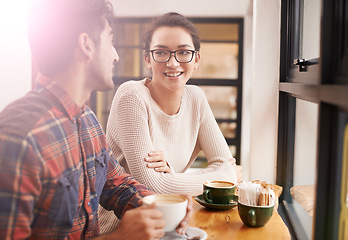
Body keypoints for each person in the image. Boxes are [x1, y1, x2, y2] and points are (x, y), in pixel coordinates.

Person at [0, 1, 191, 239]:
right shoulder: (20, 137)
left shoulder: (87, 120)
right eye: (110, 41)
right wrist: (118, 238)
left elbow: (117, 185)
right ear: (86, 45)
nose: (116, 55)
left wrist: (161, 207)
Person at [99, 12, 242, 232]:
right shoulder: (132, 96)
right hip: (121, 230)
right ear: (148, 58)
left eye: (183, 52)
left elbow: (225, 163)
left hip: (170, 227)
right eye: (162, 52)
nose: (173, 62)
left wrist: (173, 177)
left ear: (196, 60)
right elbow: (152, 186)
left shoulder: (196, 98)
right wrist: (226, 176)